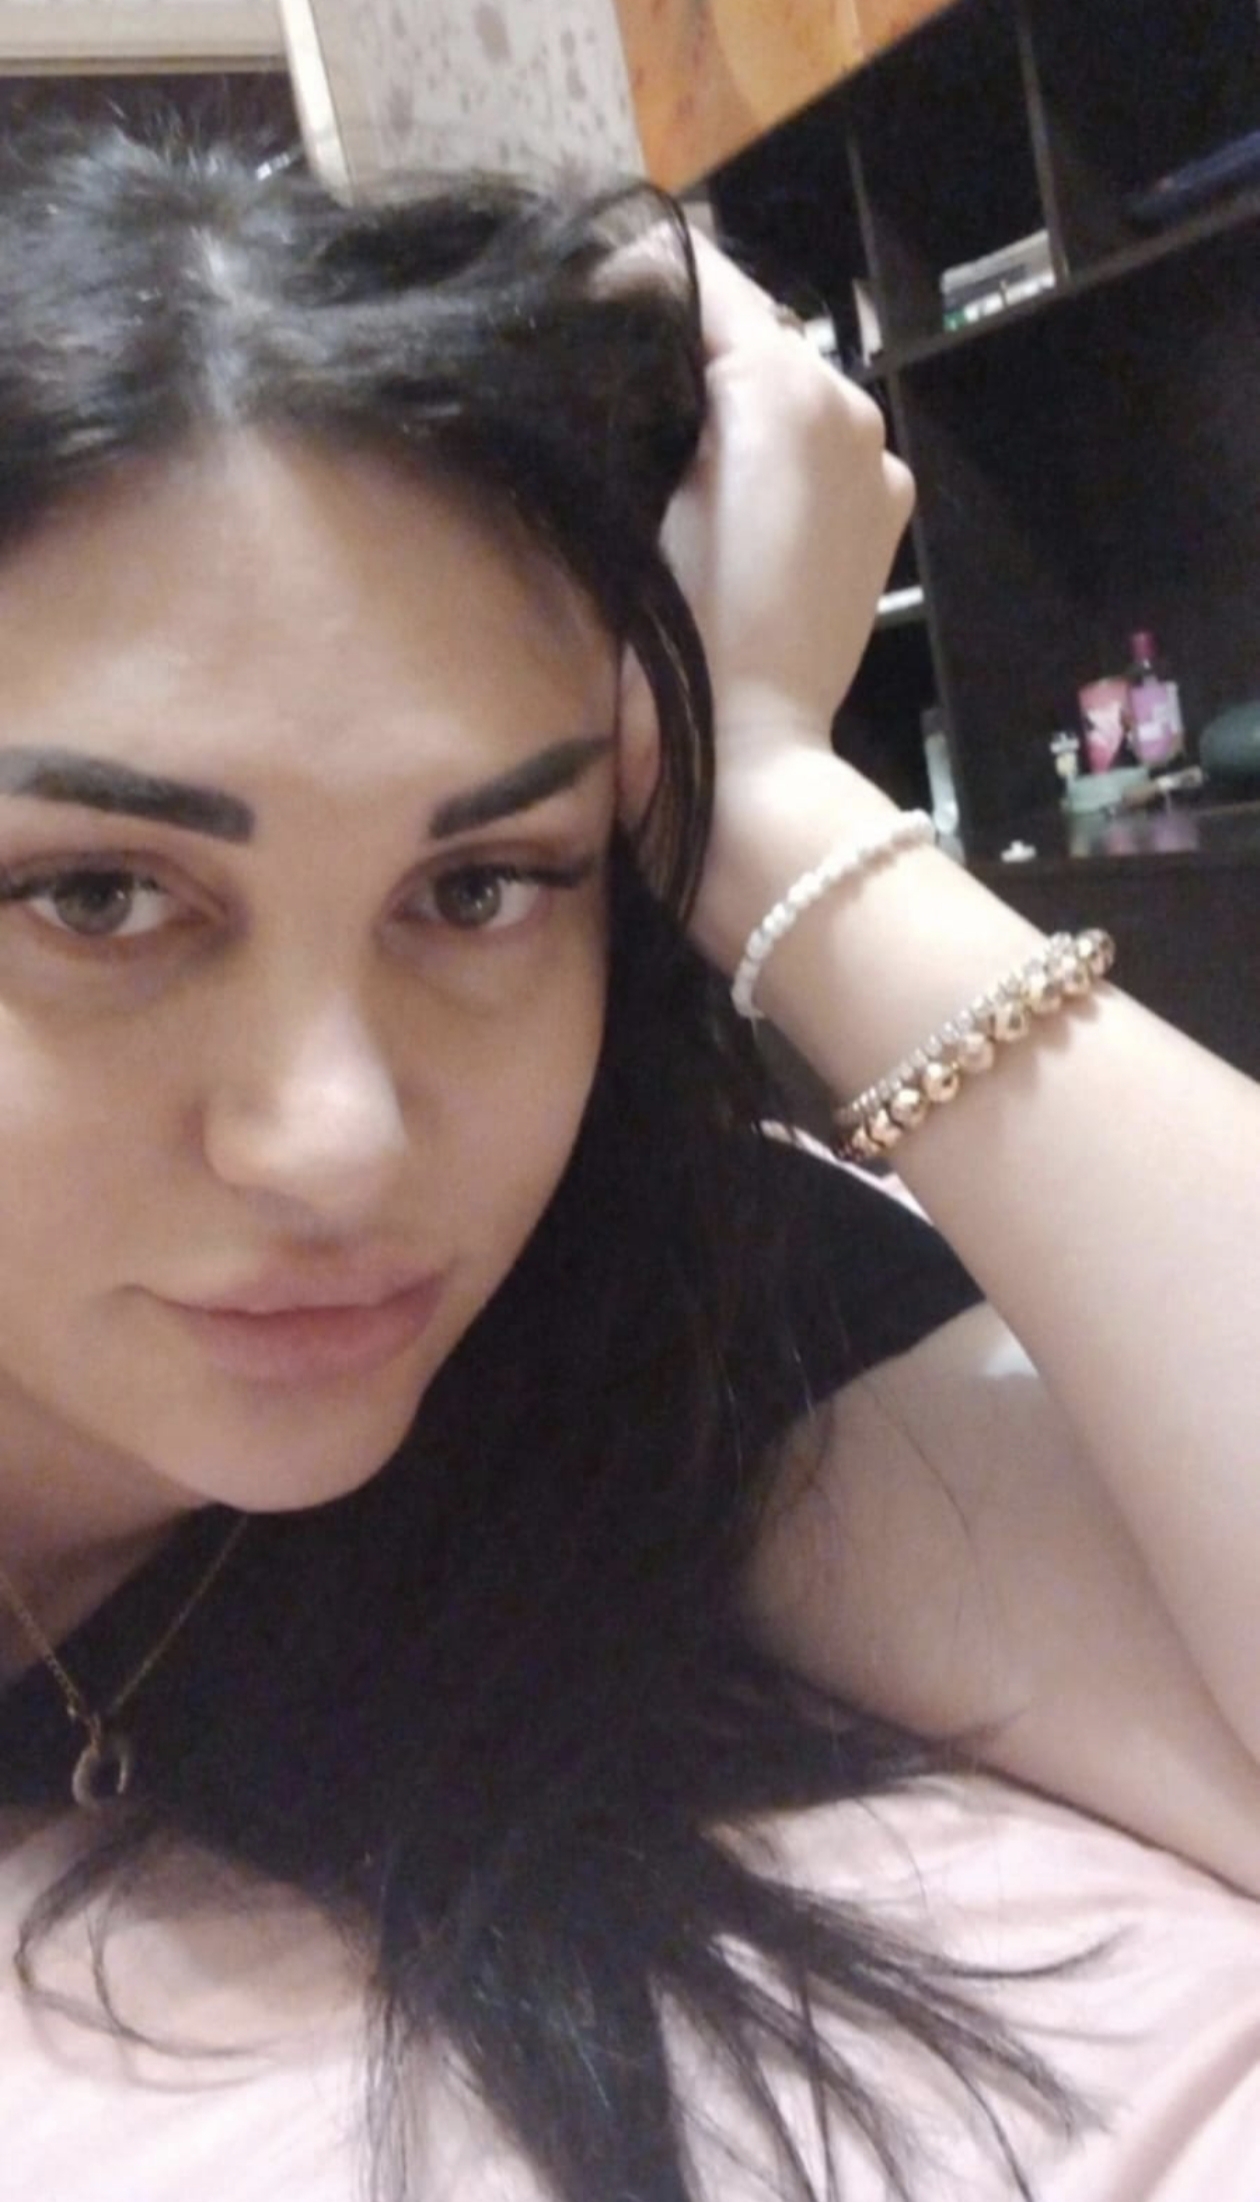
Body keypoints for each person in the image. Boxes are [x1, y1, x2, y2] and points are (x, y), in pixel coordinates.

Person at [0, 116, 1256, 2202]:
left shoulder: (629, 1337)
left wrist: (769, 795)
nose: (338, 1140)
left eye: (481, 885)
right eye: (98, 898)